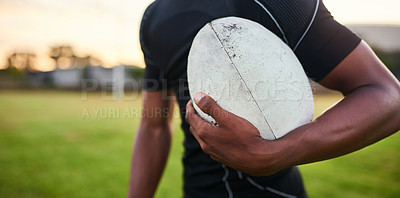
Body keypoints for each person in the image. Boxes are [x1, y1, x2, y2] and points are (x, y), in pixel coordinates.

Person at [128, 0, 400, 197]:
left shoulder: (278, 3)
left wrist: (276, 153)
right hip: (196, 190)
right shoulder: (155, 18)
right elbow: (153, 127)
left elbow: (388, 97)